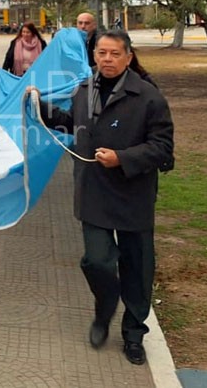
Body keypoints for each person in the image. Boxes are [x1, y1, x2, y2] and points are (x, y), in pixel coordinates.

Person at [33, 29, 174, 367]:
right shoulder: (84, 91)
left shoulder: (148, 97)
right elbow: (76, 125)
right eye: (101, 53)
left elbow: (163, 148)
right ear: (93, 55)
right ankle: (105, 308)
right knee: (96, 261)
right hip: (94, 192)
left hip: (133, 195)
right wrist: (41, 106)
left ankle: (133, 334)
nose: (107, 59)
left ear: (128, 56)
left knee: (137, 267)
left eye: (114, 54)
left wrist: (123, 158)